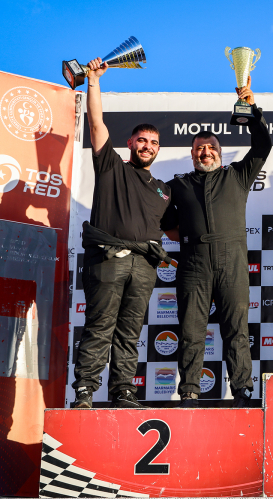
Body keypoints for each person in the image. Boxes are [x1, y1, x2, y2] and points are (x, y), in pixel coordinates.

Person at [160, 76, 271, 407]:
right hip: (193, 263)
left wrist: (251, 108)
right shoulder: (177, 185)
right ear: (191, 154)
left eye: (210, 148)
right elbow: (167, 226)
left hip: (232, 260)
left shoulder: (237, 175)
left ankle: (242, 391)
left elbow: (263, 145)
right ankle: (189, 392)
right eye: (199, 148)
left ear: (219, 153)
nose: (205, 152)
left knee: (236, 329)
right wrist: (193, 241)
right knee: (191, 331)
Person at [71, 58, 171, 409]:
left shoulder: (164, 190)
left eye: (153, 142)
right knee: (100, 326)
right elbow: (96, 123)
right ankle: (85, 391)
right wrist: (93, 81)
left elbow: (177, 228)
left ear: (158, 149)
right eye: (142, 140)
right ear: (130, 142)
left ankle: (123, 392)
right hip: (108, 260)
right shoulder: (111, 166)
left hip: (143, 267)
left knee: (130, 332)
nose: (147, 146)